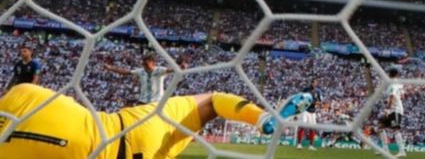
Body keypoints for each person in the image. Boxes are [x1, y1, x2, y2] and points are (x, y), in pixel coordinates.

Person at [0, 82, 311, 158]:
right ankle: (263, 118)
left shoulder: (21, 92)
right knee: (213, 101)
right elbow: (216, 102)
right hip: (131, 131)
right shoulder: (23, 92)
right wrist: (260, 117)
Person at [103, 53, 178, 105]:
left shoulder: (160, 70)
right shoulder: (140, 71)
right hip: (143, 101)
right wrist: (110, 68)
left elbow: (171, 70)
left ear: (153, 63)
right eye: (144, 64)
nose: (145, 65)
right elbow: (125, 72)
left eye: (147, 63)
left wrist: (180, 67)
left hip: (156, 102)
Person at [378, 66, 406, 158]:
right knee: (381, 127)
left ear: (389, 74)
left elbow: (392, 97)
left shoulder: (392, 84)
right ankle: (385, 150)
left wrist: (387, 109)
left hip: (395, 110)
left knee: (396, 129)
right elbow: (403, 96)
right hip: (394, 108)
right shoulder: (398, 83)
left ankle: (402, 151)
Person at [297, 78, 322, 150]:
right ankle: (299, 144)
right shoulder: (306, 90)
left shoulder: (318, 91)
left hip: (312, 111)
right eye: (314, 82)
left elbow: (320, 101)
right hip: (305, 110)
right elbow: (300, 98)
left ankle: (311, 145)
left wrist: (316, 103)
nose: (315, 84)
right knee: (302, 126)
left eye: (316, 83)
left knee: (312, 128)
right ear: (311, 83)